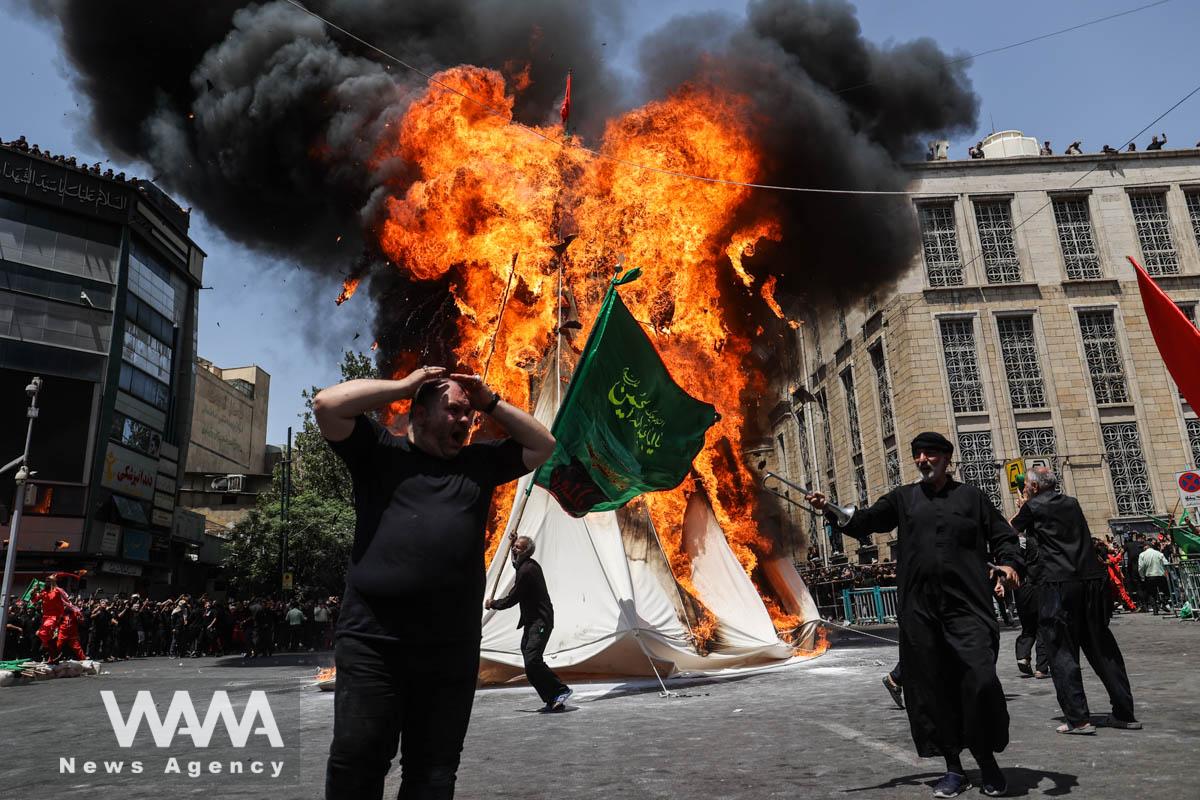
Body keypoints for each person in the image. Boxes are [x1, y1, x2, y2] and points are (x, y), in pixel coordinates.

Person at [316, 365, 555, 800]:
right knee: (358, 763)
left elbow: (543, 445)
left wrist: (490, 402)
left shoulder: (477, 465)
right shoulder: (380, 453)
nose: (465, 422)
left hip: (450, 650)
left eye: (469, 415)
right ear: (419, 415)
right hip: (374, 643)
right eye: (454, 411)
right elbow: (327, 405)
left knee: (434, 773)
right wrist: (404, 386)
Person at [807, 432, 1023, 798]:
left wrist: (1008, 564)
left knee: (980, 680)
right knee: (933, 690)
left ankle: (987, 763)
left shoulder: (972, 498)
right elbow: (867, 520)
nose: (923, 459)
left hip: (967, 607)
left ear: (946, 458)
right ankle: (954, 768)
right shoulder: (903, 499)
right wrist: (830, 509)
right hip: (921, 611)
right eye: (918, 454)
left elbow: (1003, 536)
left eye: (931, 454)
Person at [1012, 467, 1139, 735]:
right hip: (1091, 580)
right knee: (1102, 646)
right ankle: (1125, 712)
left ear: (1034, 488)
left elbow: (1011, 529)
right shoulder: (1072, 502)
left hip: (1058, 581)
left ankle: (1078, 718)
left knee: (1061, 648)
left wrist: (1023, 505)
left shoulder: (1033, 506)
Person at [486, 534, 572, 711]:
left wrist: (494, 604)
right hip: (531, 622)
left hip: (540, 622)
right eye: (514, 547)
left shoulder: (528, 570)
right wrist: (512, 542)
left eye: (517, 547)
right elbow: (514, 562)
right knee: (530, 665)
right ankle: (553, 699)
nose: (514, 549)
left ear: (526, 551)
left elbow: (513, 598)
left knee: (533, 660)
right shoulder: (523, 565)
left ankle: (560, 690)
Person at [1011, 484, 1049, 679]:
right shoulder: (1037, 539)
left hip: (1022, 587)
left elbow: (1011, 527)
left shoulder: (1016, 541)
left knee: (1028, 625)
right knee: (1043, 625)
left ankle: (1023, 655)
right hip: (1039, 584)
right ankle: (1041, 667)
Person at [1137, 540, 1169, 615]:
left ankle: (1155, 610)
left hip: (1149, 576)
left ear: (1146, 546)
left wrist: (1142, 576)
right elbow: (1166, 563)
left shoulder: (1142, 555)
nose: (1143, 548)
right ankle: (1163, 602)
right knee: (1166, 591)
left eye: (1143, 547)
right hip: (1160, 575)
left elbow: (1141, 567)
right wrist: (1165, 572)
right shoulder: (1159, 553)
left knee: (1151, 593)